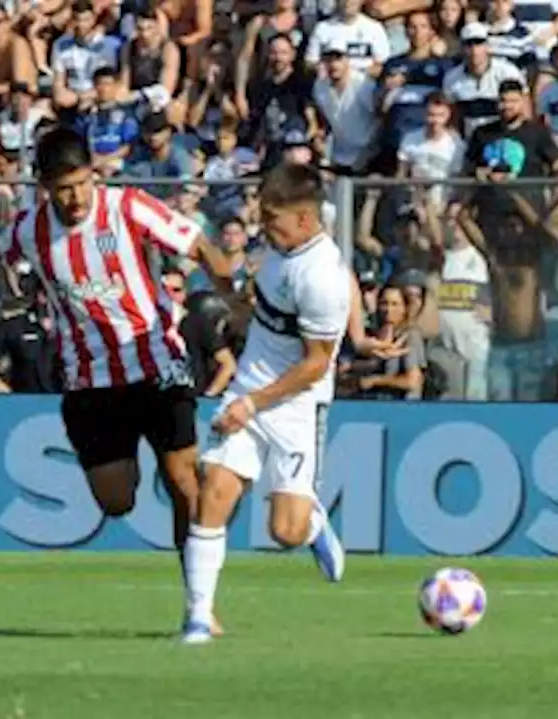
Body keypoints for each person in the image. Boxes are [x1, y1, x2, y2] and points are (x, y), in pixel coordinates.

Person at [0, 126, 235, 635]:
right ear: (44, 186)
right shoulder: (29, 231)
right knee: (116, 500)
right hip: (91, 384)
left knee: (183, 482)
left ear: (94, 176)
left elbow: (198, 245)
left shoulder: (127, 207)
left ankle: (198, 604)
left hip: (157, 366)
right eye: (63, 187)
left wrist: (231, 294)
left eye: (82, 183)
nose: (75, 197)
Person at [181, 162, 350, 645]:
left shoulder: (323, 277)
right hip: (249, 388)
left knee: (286, 532)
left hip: (295, 404)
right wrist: (225, 293)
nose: (264, 227)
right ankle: (197, 618)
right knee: (214, 490)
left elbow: (316, 364)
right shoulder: (276, 251)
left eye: (274, 219)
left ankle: (312, 521)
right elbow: (263, 316)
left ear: (305, 219)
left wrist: (253, 404)